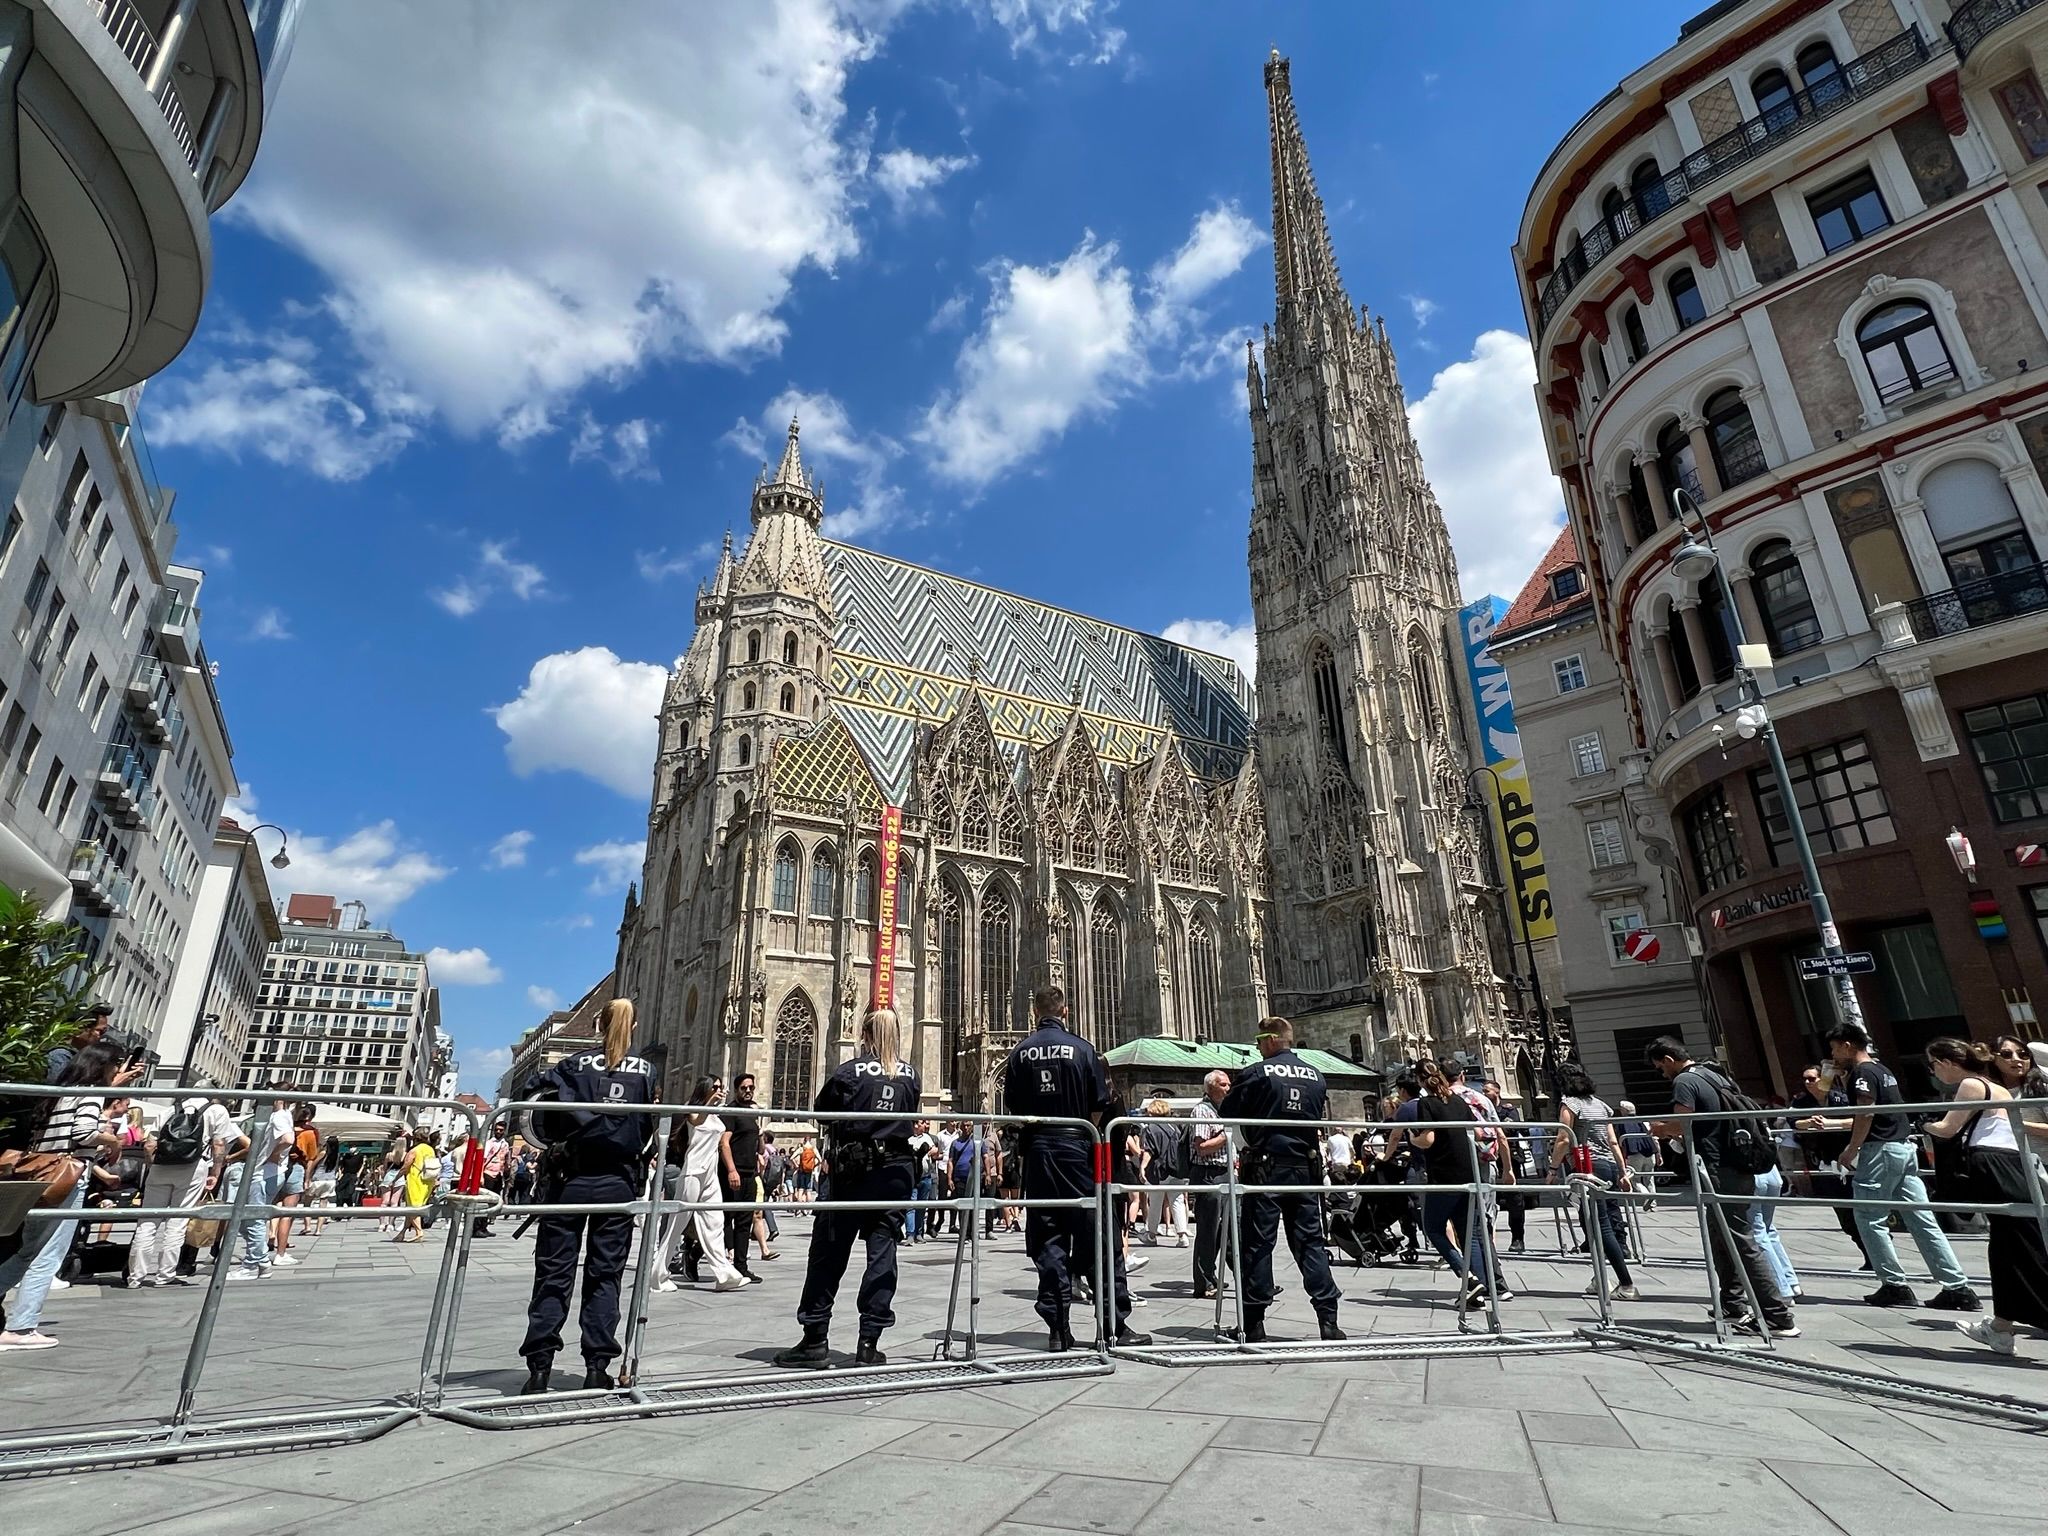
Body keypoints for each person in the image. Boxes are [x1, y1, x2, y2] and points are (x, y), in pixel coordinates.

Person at [519, 998, 656, 1394]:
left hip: (570, 1179)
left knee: (553, 1273)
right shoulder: (645, 1071)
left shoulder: (572, 1065)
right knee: (605, 1275)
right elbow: (646, 1127)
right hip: (617, 1181)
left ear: (599, 1025)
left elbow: (531, 1097)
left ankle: (540, 1369)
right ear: (632, 1028)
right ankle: (597, 1367)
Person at [1002, 986, 1147, 1352]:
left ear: (1035, 1011)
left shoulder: (1020, 1053)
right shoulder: (1083, 1049)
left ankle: (1057, 1328)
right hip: (1077, 1146)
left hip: (1038, 1151)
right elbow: (1100, 1103)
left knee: (1048, 1237)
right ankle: (1114, 1323)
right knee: (1098, 1233)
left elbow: (1014, 1111)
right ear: (1065, 1011)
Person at [775, 1008, 921, 1367]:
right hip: (895, 1174)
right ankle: (869, 1343)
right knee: (883, 1253)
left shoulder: (850, 1071)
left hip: (853, 1171)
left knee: (828, 1252)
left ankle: (814, 1338)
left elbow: (823, 1111)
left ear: (866, 1036)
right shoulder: (910, 1075)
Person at [1812, 1023, 1978, 1312]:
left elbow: (1865, 1111)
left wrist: (1852, 1148)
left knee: (1868, 1217)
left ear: (1848, 1045)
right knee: (1921, 1219)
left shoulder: (1863, 1073)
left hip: (1880, 1150)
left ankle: (1894, 1284)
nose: (1833, 1054)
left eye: (1835, 1048)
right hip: (1903, 1149)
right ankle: (1957, 1286)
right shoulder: (1882, 1070)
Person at [1644, 1037, 1798, 1337]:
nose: (1662, 1073)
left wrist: (1660, 1129)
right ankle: (1732, 1305)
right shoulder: (1714, 1075)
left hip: (1719, 1170)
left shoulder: (1686, 1081)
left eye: (1660, 1066)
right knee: (1722, 1238)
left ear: (1668, 1058)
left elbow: (1682, 1123)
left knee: (1741, 1239)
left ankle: (1777, 1316)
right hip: (1737, 1166)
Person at [0, 1043, 141, 1348]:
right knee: (47, 1254)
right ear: (103, 1064)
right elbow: (84, 1133)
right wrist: (114, 1142)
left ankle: (19, 1323)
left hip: (42, 1174)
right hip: (69, 1175)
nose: (117, 1070)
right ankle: (21, 1327)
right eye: (116, 1064)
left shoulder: (62, 1092)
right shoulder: (90, 1093)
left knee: (28, 1251)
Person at [1218, 1016, 1344, 1342]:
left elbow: (1228, 1111)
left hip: (1266, 1167)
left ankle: (1254, 1323)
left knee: (1258, 1244)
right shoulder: (1316, 1075)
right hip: (1305, 1167)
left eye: (1259, 1040)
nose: (1258, 1047)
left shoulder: (1257, 1073)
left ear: (1272, 1039)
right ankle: (1328, 1321)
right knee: (1310, 1244)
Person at [1923, 1038, 2048, 1357]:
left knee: (2021, 1245)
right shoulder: (1997, 1087)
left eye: (1934, 1066)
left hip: (1991, 1165)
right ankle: (2001, 1329)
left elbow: (1949, 1129)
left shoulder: (1970, 1084)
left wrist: (1926, 1124)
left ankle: (2019, 1321)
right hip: (2011, 1165)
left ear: (1946, 1062)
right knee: (2008, 1247)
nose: (1935, 1073)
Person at [1407, 1057, 1498, 1310]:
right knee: (1469, 1233)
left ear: (1419, 1080)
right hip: (1468, 1172)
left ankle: (1467, 1277)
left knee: (1433, 1228)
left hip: (1444, 1174)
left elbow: (1428, 1139)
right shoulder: (1459, 1101)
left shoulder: (1426, 1103)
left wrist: (1412, 1138)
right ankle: (1479, 1289)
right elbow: (1479, 1133)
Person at [1552, 1064, 1638, 1302]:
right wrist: (1621, 1171)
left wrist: (1552, 1167)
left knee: (1600, 1224)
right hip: (1609, 1165)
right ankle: (1599, 1277)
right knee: (1594, 1222)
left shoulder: (1570, 1104)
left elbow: (1562, 1138)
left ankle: (1626, 1283)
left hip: (1588, 1167)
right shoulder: (1600, 1105)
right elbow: (1612, 1141)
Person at [659, 1077, 746, 1293]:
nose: (718, 1090)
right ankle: (657, 1275)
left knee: (715, 1222)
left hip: (710, 1174)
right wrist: (709, 1104)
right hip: (693, 1172)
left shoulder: (715, 1114)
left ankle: (724, 1274)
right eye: (714, 1087)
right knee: (677, 1224)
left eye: (720, 1087)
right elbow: (697, 1121)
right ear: (704, 1089)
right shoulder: (693, 1110)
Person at [1190, 1069, 1234, 1299]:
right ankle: (1203, 1282)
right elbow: (1201, 1147)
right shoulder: (1202, 1110)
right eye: (1224, 1085)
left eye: (1229, 1084)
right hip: (1209, 1174)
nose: (1228, 1088)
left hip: (1226, 1173)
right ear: (1211, 1087)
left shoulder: (1224, 1110)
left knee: (1230, 1228)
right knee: (1208, 1229)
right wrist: (1226, 1136)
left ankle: (1248, 1279)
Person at [720, 1073, 768, 1281]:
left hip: (750, 1173)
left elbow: (760, 1147)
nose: (748, 1091)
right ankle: (694, 1253)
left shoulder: (751, 1113)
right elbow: (724, 1143)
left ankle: (741, 1266)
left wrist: (761, 1131)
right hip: (734, 1173)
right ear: (737, 1089)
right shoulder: (731, 1111)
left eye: (751, 1088)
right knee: (724, 1219)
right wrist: (731, 1170)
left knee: (744, 1221)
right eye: (744, 1088)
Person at [1483, 1080, 1532, 1256]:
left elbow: (1511, 1128)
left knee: (1515, 1200)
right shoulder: (1481, 1110)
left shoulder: (1509, 1110)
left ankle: (1518, 1238)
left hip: (1509, 1158)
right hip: (1488, 1157)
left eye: (1487, 1090)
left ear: (1497, 1092)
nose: (1484, 1093)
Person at [1141, 1101, 1190, 1247]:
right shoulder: (1175, 1126)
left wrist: (1143, 1167)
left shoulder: (1150, 1128)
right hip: (1176, 1169)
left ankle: (1151, 1234)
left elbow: (1149, 1151)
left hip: (1158, 1170)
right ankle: (1182, 1235)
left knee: (1155, 1201)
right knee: (1177, 1200)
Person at [1989, 1035, 2048, 1147]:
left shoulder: (2041, 1088)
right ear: (1993, 1059)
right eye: (2006, 1054)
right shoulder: (1988, 1092)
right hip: (2008, 1162)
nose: (2016, 1059)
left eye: (2023, 1055)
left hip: (2041, 1162)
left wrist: (2017, 1124)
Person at [43, 1004, 113, 1083]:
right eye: (100, 1031)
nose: (100, 1036)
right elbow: (59, 1090)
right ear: (79, 1029)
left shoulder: (78, 1055)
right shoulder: (60, 1055)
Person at [395, 1125, 439, 1244]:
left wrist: (395, 1179)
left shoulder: (415, 1150)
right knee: (414, 1206)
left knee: (413, 1207)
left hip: (415, 1180)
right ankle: (402, 1232)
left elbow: (406, 1166)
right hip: (427, 1181)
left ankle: (419, 1232)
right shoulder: (430, 1149)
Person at [1614, 1101, 1659, 1210]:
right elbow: (1653, 1138)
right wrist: (1658, 1153)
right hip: (1649, 1152)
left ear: (1624, 1110)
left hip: (1634, 1154)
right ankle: (1653, 1204)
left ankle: (1648, 1196)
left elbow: (1621, 1142)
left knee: (1635, 1179)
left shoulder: (1621, 1122)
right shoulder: (1642, 1121)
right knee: (1649, 1179)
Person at [477, 1124, 510, 1237]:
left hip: (498, 1175)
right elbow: (482, 1159)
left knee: (493, 1201)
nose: (498, 1132)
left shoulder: (505, 1144)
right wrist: (480, 1175)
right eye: (496, 1130)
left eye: (501, 1130)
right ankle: (477, 1227)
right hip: (488, 1174)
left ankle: (484, 1226)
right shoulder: (490, 1143)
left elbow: (505, 1160)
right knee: (484, 1201)